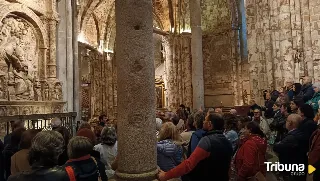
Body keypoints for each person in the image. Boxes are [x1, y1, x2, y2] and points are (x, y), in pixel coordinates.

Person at [158, 113, 233, 181]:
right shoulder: (227, 142)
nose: (203, 122)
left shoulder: (207, 141)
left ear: (209, 124)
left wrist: (165, 175)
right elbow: (229, 168)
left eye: (205, 120)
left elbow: (189, 164)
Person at [273, 114, 307, 181]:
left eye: (287, 120)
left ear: (290, 123)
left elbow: (276, 147)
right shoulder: (301, 133)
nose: (285, 122)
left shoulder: (291, 137)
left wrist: (278, 143)